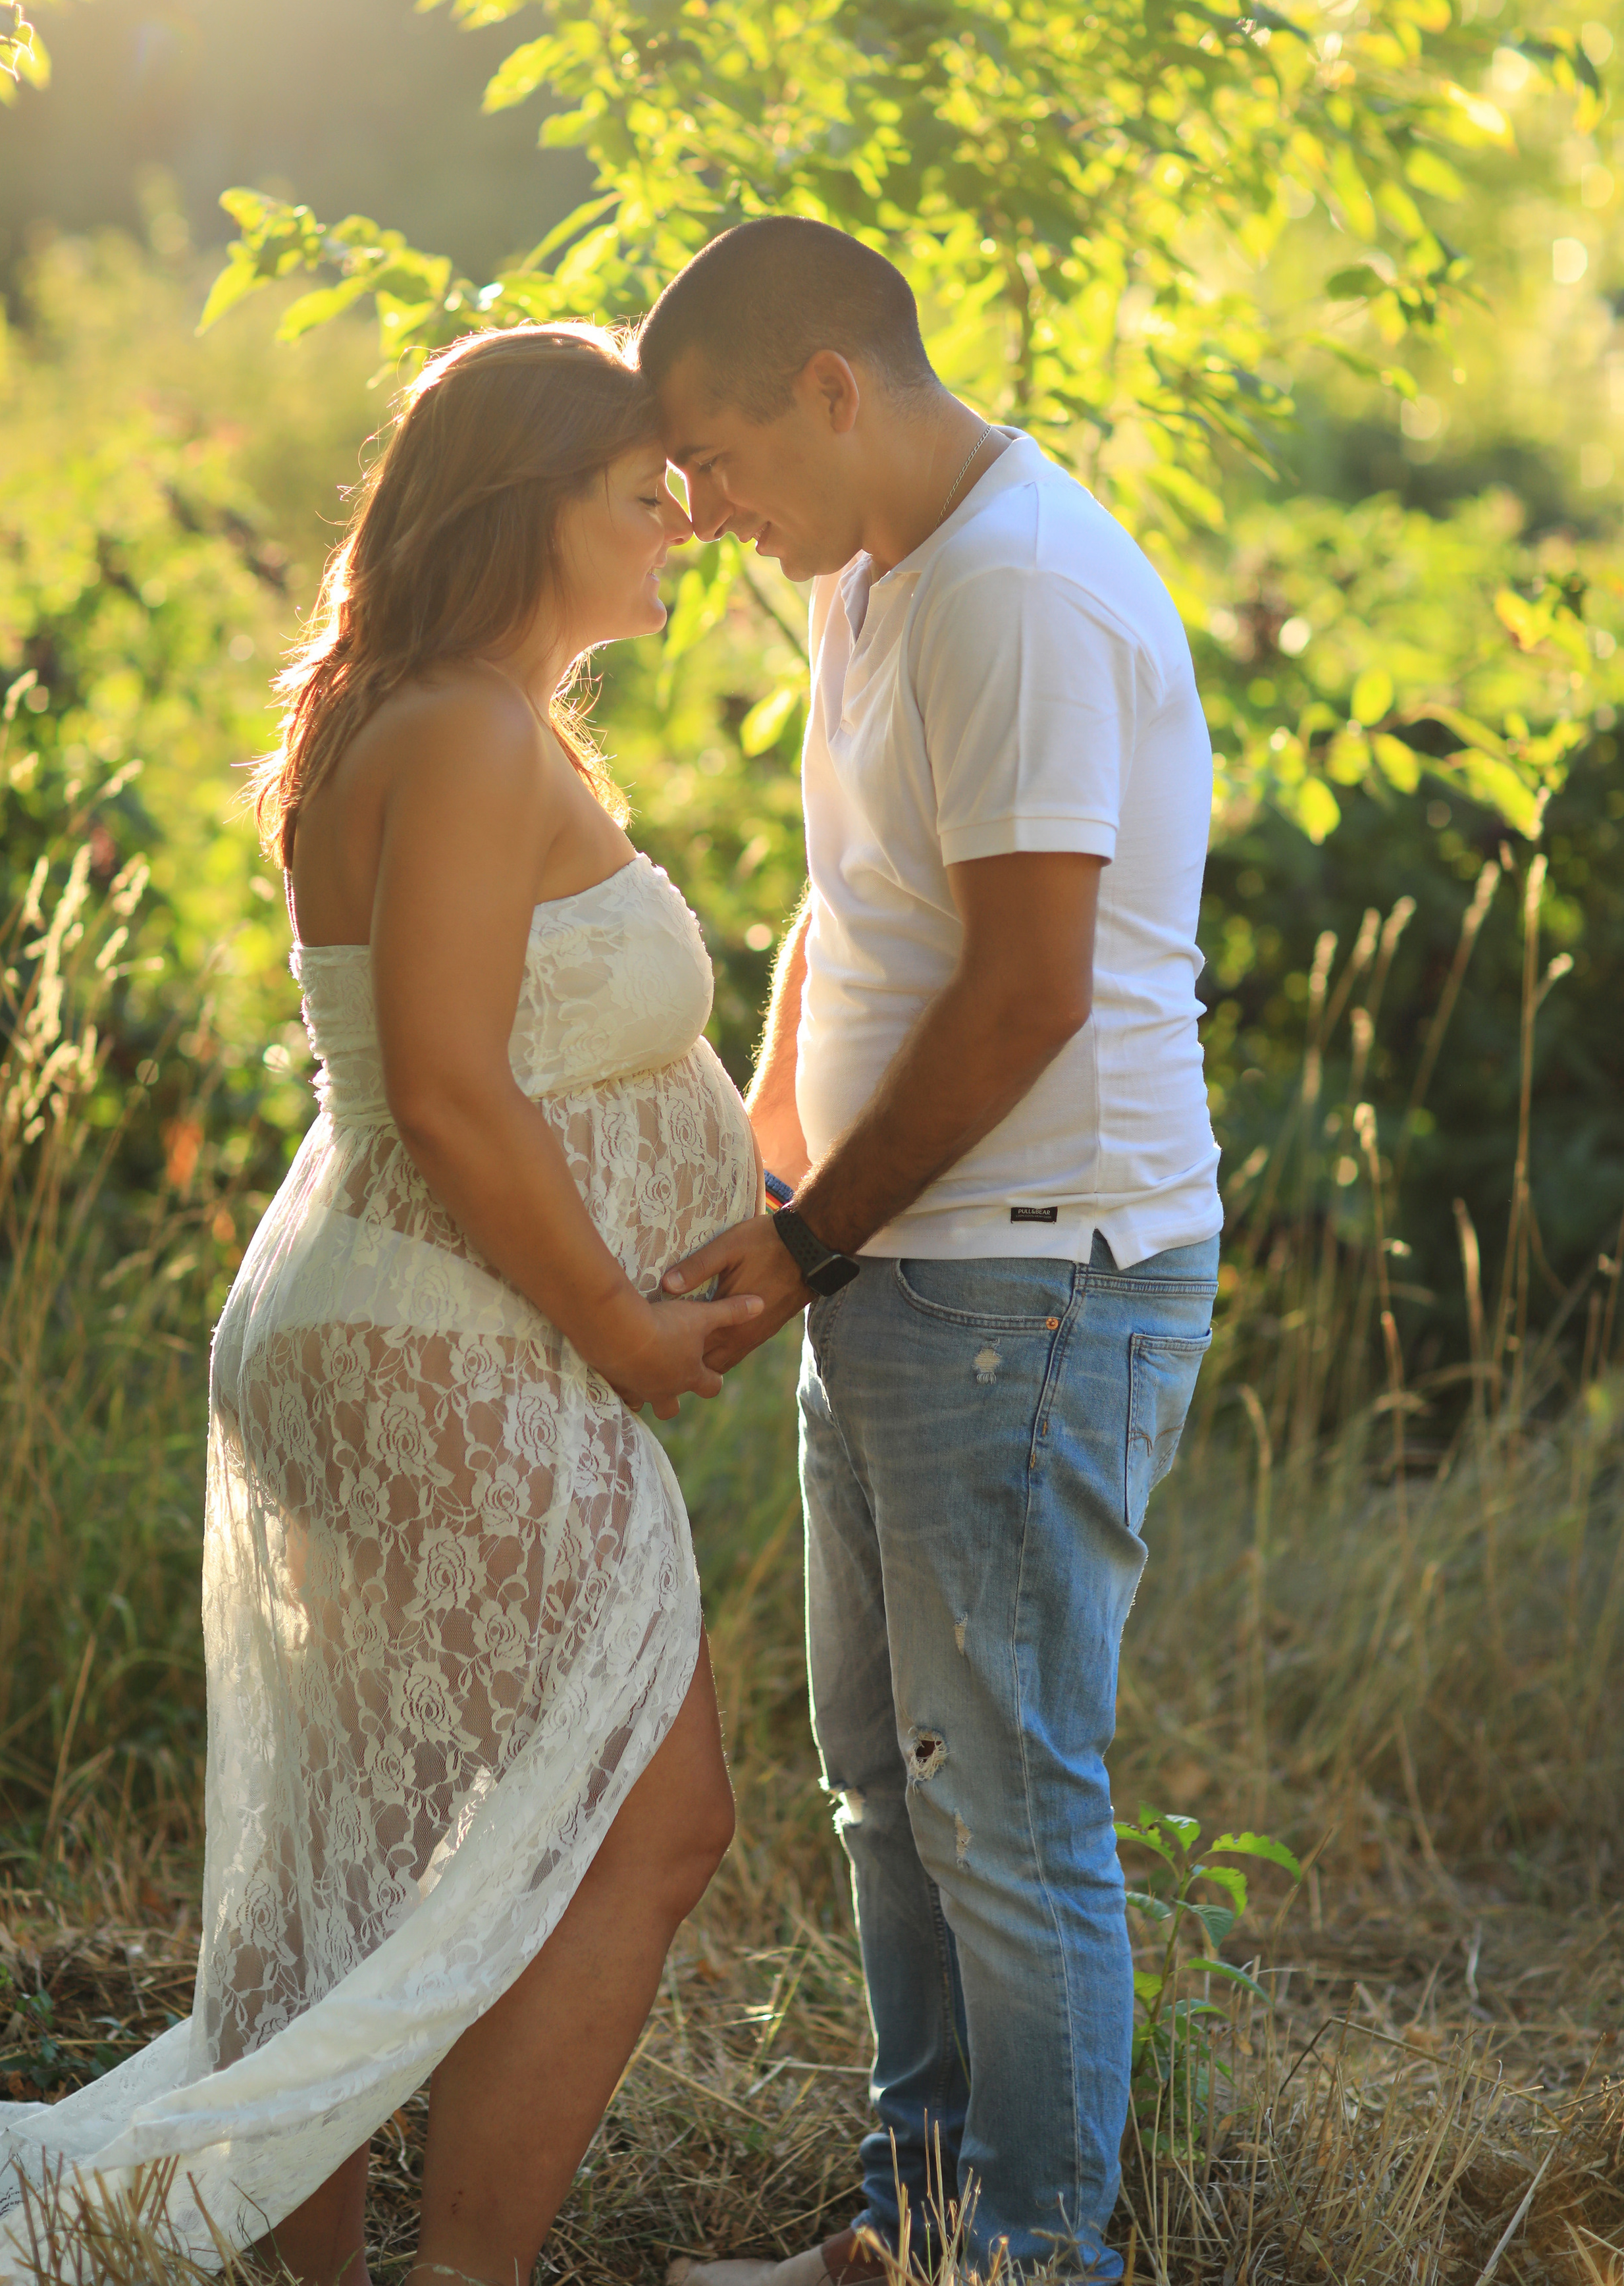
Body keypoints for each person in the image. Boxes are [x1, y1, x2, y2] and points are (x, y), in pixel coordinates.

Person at [0, 325, 764, 2286]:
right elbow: (459, 1089)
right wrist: (635, 1339)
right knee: (657, 1822)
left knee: (371, 1869)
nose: (681, 526)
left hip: (396, 1323)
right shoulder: (467, 735)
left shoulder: (450, 716)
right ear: (523, 508)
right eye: (641, 492)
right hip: (449, 1338)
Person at [642, 220, 1222, 2285]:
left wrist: (804, 1241)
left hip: (1035, 1280)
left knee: (1005, 1801)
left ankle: (1039, 2259)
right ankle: (916, 2231)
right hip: (902, 1260)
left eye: (720, 464)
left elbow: (1027, 995)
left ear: (831, 385)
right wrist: (766, 1167)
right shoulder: (876, 574)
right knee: (888, 1785)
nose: (709, 520)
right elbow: (855, 911)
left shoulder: (1019, 592)